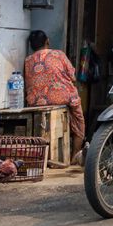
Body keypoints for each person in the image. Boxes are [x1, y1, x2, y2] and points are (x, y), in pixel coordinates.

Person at [23, 30, 87, 158]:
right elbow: (72, 76)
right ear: (47, 41)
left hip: (35, 101)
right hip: (61, 98)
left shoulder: (27, 60)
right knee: (79, 121)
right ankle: (75, 156)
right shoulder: (59, 54)